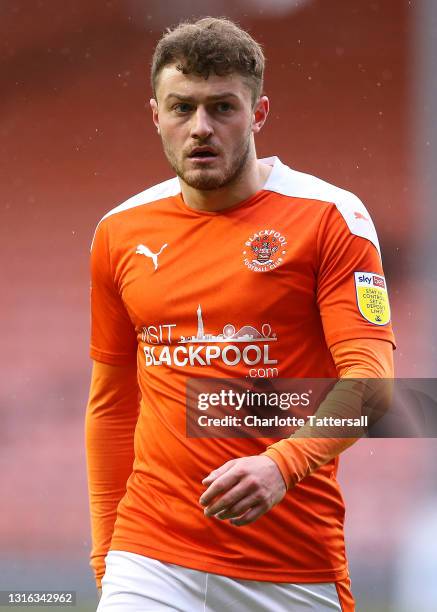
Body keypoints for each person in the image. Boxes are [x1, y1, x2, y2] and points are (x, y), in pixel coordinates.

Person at [85, 16, 395, 611]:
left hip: (291, 567)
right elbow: (112, 404)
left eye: (222, 107)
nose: (200, 128)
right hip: (149, 557)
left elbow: (373, 385)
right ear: (156, 115)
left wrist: (282, 466)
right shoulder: (119, 233)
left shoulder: (330, 218)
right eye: (182, 108)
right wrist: (107, 555)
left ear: (259, 113)